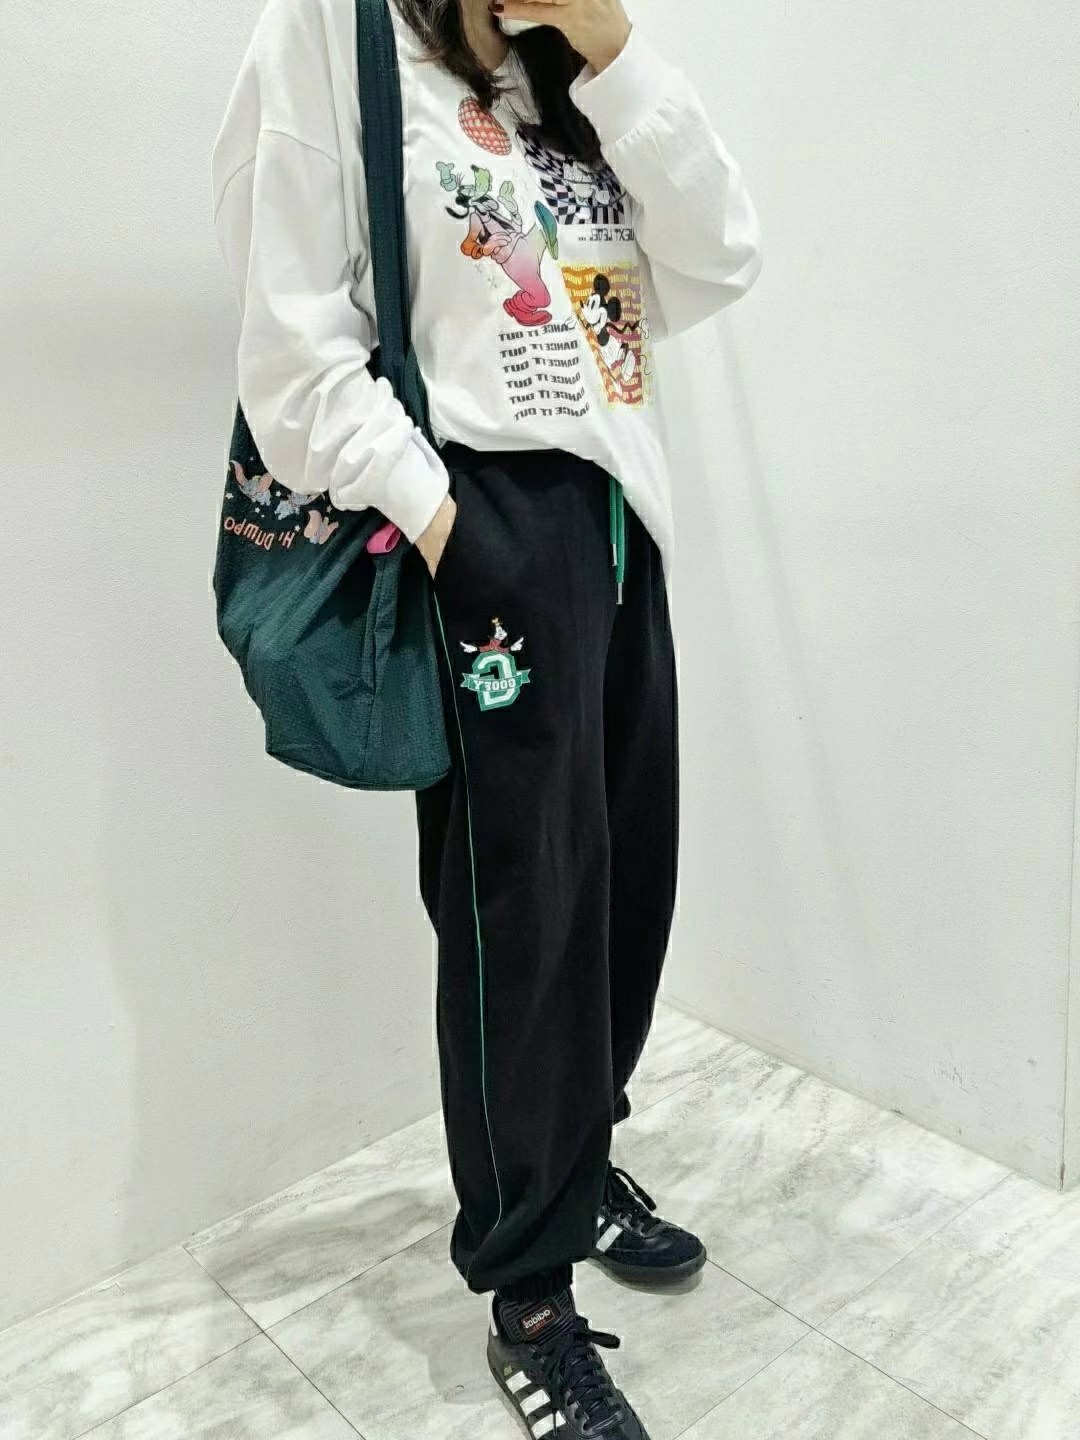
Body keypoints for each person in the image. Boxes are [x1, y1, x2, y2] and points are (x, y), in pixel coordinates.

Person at [212, 0, 761, 1433]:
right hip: (488, 521)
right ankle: (530, 1293)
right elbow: (291, 351)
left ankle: (575, 1165)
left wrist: (609, 43)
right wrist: (447, 519)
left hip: (622, 526)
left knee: (624, 885)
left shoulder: (564, 59)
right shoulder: (331, 32)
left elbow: (717, 255)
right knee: (520, 912)